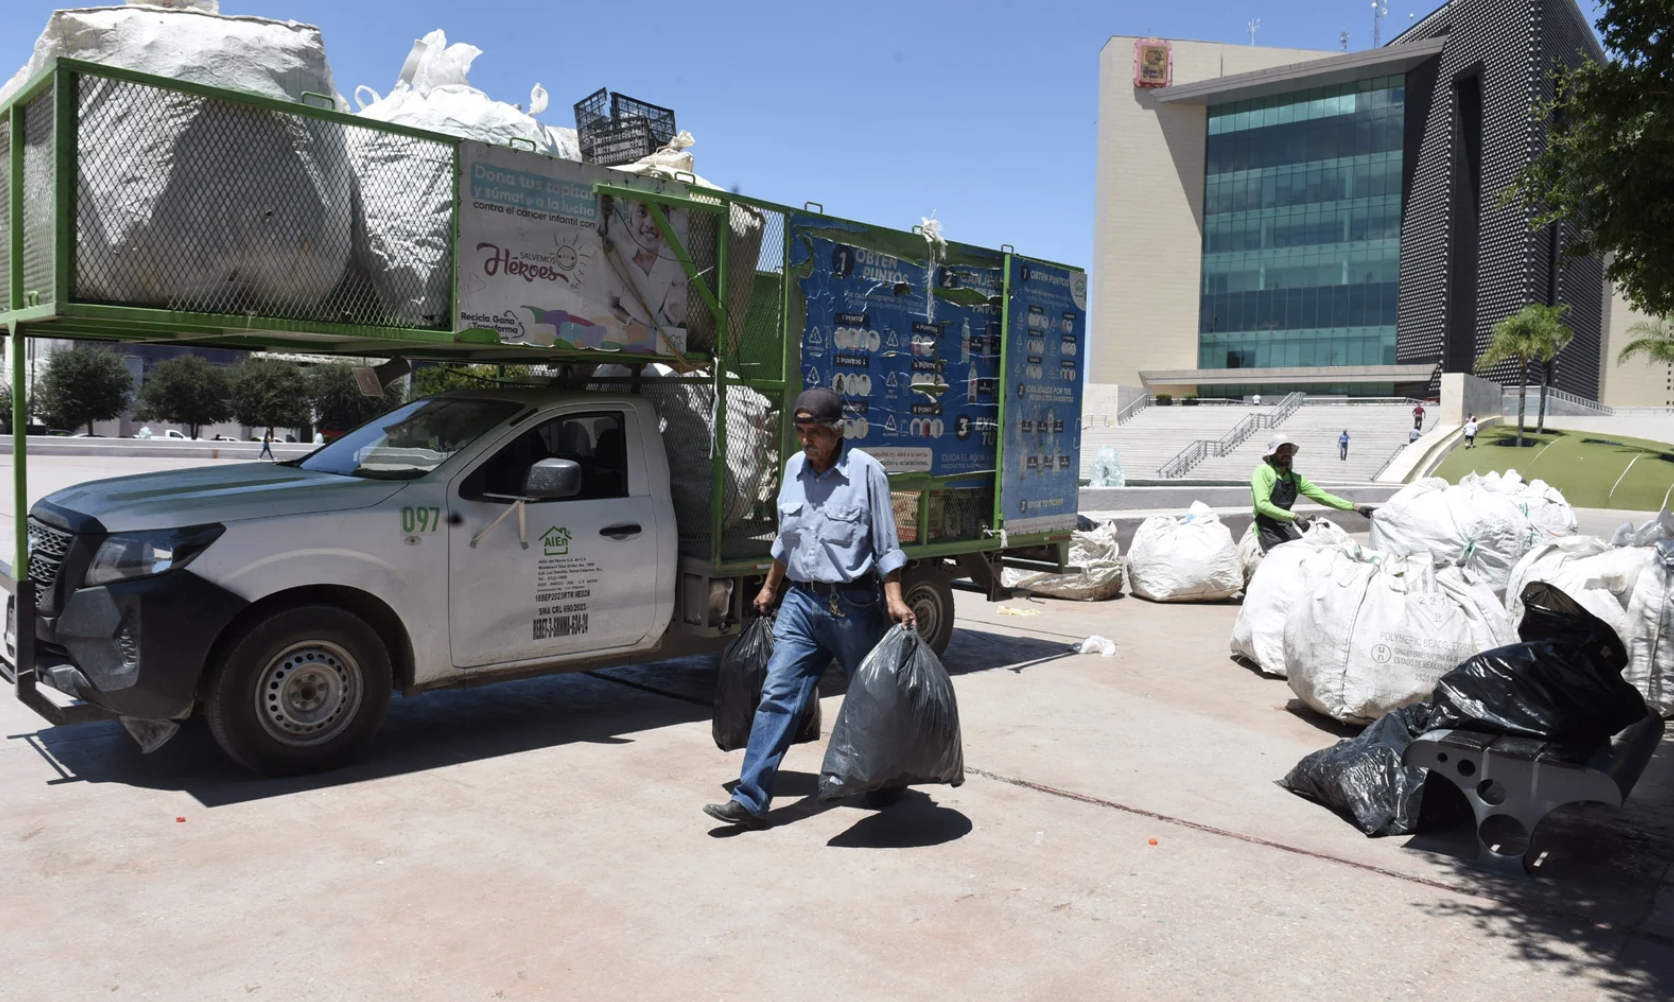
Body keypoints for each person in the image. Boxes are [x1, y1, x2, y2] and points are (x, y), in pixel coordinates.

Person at [704, 388, 917, 831]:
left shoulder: (866, 473)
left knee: (873, 698)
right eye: (801, 432)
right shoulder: (792, 470)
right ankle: (751, 798)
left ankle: (889, 776)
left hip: (854, 605)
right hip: (800, 603)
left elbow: (887, 547)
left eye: (815, 432)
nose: (806, 441)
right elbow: (787, 540)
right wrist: (769, 589)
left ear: (837, 432)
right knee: (778, 694)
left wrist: (894, 599)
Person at [1252, 432, 1375, 553]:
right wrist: (1294, 516)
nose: (1286, 453)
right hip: (1266, 530)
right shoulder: (1263, 471)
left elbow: (1323, 497)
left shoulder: (1296, 479)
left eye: (1288, 450)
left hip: (1285, 527)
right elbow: (1262, 505)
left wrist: (1356, 507)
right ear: (1273, 454)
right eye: (1281, 450)